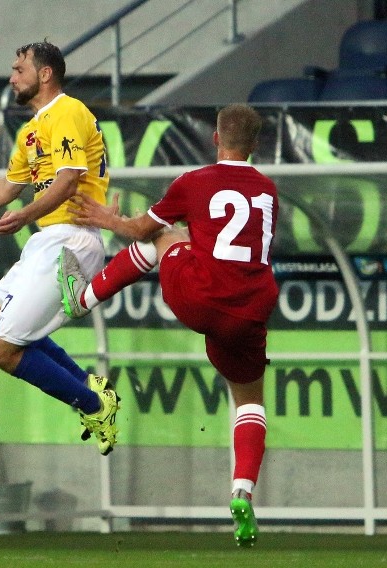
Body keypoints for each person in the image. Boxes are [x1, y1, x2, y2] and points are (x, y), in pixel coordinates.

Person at [57, 103, 278, 547]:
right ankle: (242, 491)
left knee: (166, 237)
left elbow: (141, 229)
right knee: (250, 400)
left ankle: (82, 298)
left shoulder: (194, 182)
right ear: (255, 146)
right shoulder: (269, 191)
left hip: (200, 298)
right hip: (249, 310)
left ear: (215, 138)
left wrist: (108, 219)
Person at [0, 41, 120, 455]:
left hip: (72, 238)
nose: (12, 77)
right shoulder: (32, 129)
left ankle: (94, 404)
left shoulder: (66, 111)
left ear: (45, 74)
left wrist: (25, 215)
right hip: (48, 238)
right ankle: (89, 386)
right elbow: (8, 186)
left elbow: (66, 181)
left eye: (19, 69)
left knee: (1, 351)